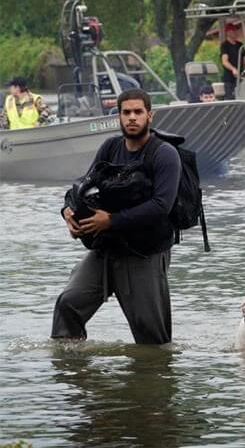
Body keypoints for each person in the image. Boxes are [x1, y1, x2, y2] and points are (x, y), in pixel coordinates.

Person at [52, 88, 182, 345]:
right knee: (69, 303)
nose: (132, 118)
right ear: (119, 117)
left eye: (138, 112)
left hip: (144, 253)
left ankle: (153, 379)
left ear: (149, 116)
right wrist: (68, 211)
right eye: (126, 112)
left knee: (151, 336)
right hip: (106, 249)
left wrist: (111, 220)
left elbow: (161, 205)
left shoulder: (165, 154)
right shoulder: (110, 147)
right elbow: (83, 187)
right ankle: (72, 372)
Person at [219, 23, 245, 100]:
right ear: (228, 32)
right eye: (234, 30)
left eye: (236, 30)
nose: (236, 32)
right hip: (229, 78)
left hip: (240, 77)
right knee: (230, 98)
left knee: (242, 97)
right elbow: (224, 61)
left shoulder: (240, 45)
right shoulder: (224, 45)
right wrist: (233, 69)